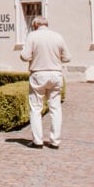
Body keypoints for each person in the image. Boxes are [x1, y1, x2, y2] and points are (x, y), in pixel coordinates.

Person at [20, 15, 70, 149]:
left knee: (36, 109)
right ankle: (55, 141)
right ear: (46, 24)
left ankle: (38, 141)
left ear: (36, 25)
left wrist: (32, 56)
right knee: (55, 108)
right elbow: (67, 57)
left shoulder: (32, 36)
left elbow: (25, 56)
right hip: (55, 74)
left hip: (39, 74)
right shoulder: (58, 36)